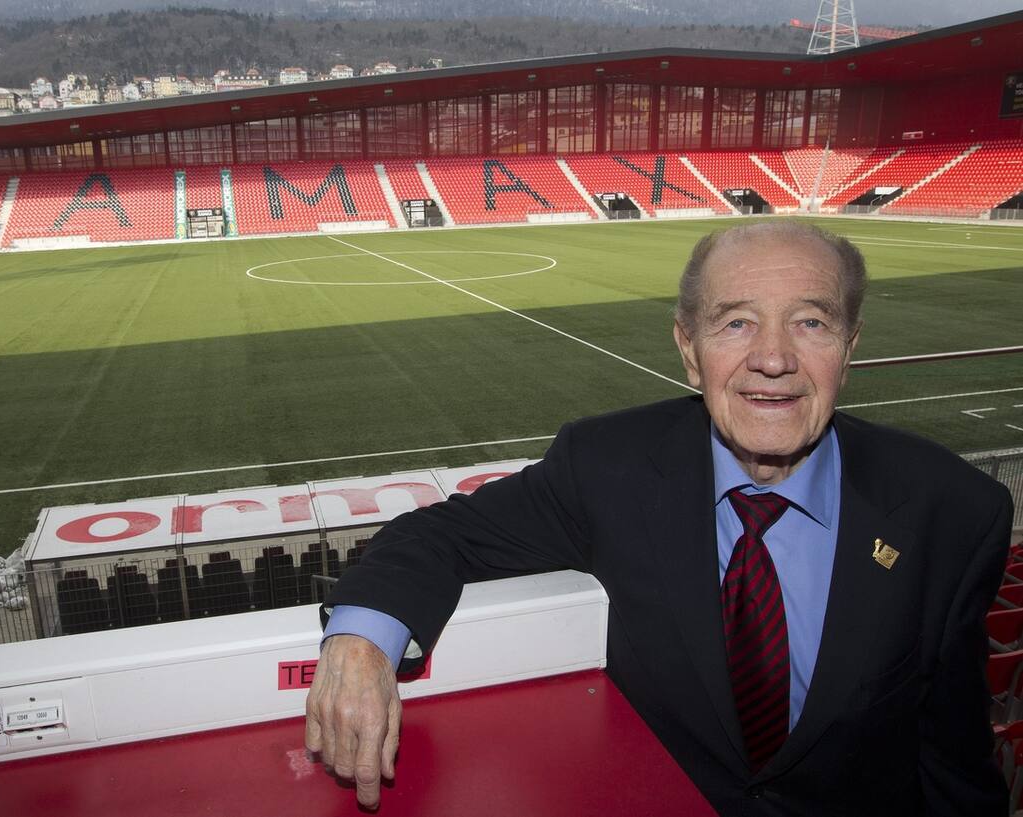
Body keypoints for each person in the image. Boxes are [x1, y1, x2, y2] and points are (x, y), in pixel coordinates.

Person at [304, 221, 1014, 815]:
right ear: (686, 350)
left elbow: (953, 762)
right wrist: (361, 642)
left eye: (810, 322)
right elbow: (442, 534)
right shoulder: (605, 466)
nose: (772, 357)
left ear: (849, 347)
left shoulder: (949, 511)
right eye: (735, 322)